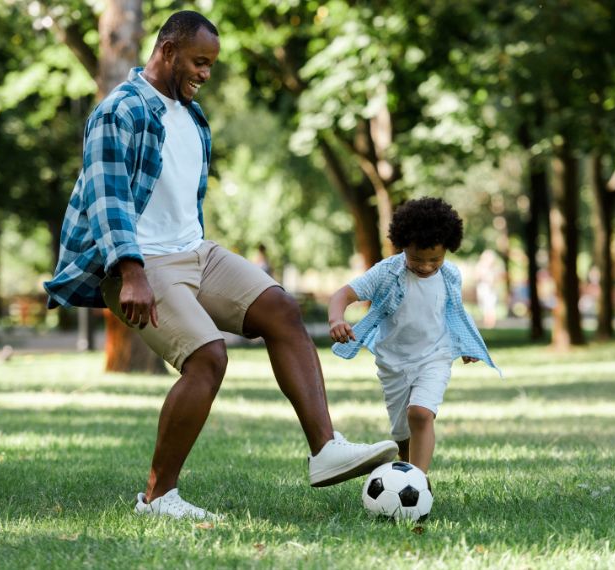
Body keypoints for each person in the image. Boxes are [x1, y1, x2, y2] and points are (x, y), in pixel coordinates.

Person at [43, 11, 397, 520]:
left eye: (210, 64)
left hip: (194, 251)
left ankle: (325, 450)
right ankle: (157, 498)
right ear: (167, 51)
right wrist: (132, 272)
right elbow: (108, 199)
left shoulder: (191, 114)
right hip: (141, 263)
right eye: (199, 61)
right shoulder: (119, 110)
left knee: (281, 309)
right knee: (208, 358)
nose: (206, 73)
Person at [327, 197, 501, 473]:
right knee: (402, 437)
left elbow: (454, 311)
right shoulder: (386, 272)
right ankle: (406, 476)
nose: (427, 266)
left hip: (435, 356)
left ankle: (419, 483)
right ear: (403, 244)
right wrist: (337, 318)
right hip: (393, 362)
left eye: (435, 259)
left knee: (420, 414)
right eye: (417, 258)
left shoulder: (450, 275)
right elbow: (343, 295)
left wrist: (466, 343)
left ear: (447, 249)